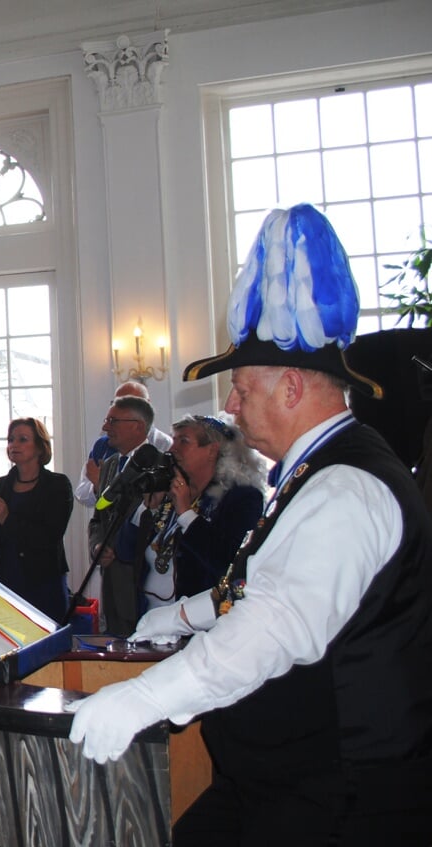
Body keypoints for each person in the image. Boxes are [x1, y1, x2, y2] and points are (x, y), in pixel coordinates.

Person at [69, 205, 432, 846]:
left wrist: (146, 698)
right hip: (278, 781)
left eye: (240, 389)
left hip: (340, 794)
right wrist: (180, 617)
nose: (231, 407)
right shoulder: (313, 470)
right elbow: (253, 584)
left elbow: (279, 621)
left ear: (291, 387)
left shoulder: (348, 486)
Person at [114, 414, 265, 615]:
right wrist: (146, 508)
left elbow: (227, 563)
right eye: (173, 440)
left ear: (212, 450)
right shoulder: (169, 491)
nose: (172, 449)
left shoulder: (242, 497)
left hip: (198, 625)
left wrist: (185, 513)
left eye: (183, 441)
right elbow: (124, 552)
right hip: (150, 620)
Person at [0, 417, 74, 620]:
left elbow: (49, 537)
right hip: (9, 577)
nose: (14, 445)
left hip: (45, 580)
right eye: (11, 440)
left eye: (22, 439)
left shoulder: (57, 485)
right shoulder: (2, 484)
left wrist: (6, 518)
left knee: (48, 644)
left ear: (40, 447)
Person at [88, 394, 158, 636]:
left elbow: (154, 523)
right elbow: (98, 517)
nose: (105, 427)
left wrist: (116, 546)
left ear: (137, 426)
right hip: (111, 578)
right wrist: (98, 546)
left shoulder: (157, 467)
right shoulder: (109, 465)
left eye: (113, 421)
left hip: (140, 579)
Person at [73, 380, 173, 509]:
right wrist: (97, 487)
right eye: (117, 403)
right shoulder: (103, 444)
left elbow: (156, 505)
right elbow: (81, 493)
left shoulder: (164, 444)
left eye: (130, 404)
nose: (106, 426)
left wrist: (103, 484)